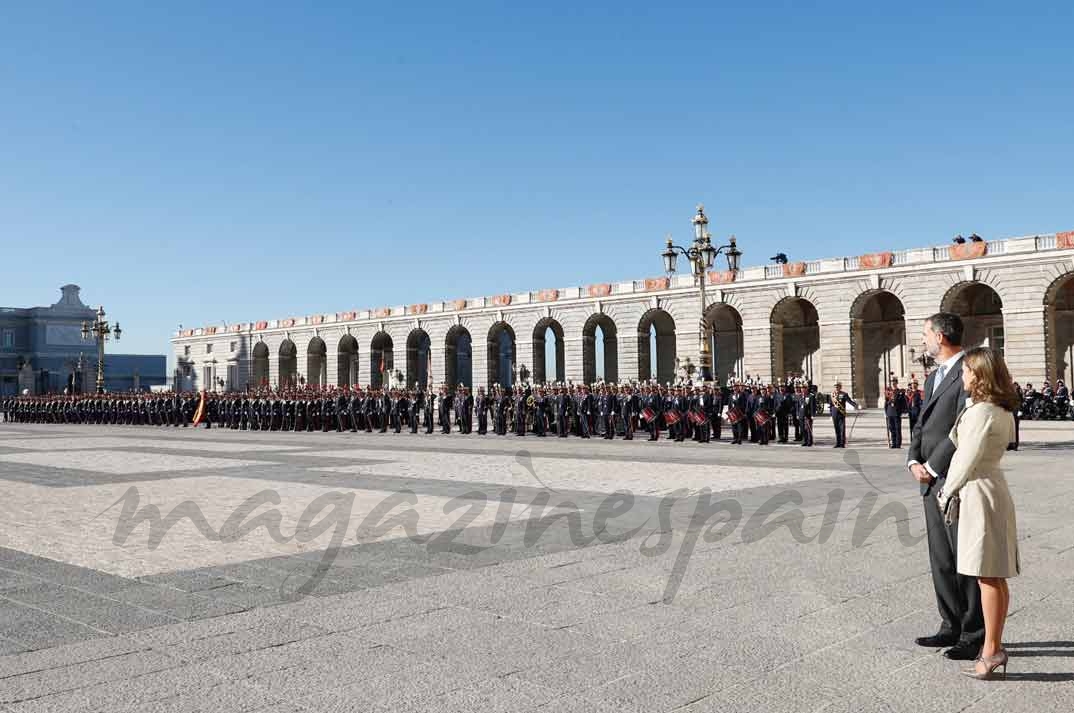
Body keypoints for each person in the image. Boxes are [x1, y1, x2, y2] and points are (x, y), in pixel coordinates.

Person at [936, 347, 1020, 680]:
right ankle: (993, 647)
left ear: (981, 375)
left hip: (978, 493)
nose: (963, 375)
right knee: (992, 575)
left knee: (987, 574)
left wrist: (945, 492)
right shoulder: (997, 409)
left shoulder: (982, 412)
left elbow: (964, 458)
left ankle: (992, 650)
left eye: (968, 370)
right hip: (991, 487)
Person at [907, 312, 984, 661]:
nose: (923, 339)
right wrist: (912, 459)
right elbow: (921, 423)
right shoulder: (932, 378)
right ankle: (949, 623)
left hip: (953, 478)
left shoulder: (968, 370)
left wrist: (933, 465)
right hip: (928, 478)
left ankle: (973, 633)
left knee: (963, 556)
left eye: (925, 333)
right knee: (940, 556)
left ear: (940, 337)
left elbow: (962, 426)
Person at [828, 382, 857, 448]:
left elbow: (849, 401)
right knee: (836, 429)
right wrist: (830, 414)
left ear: (840, 387)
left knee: (842, 429)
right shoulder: (832, 395)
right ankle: (837, 443)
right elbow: (831, 405)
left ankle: (842, 443)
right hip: (834, 414)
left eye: (838, 386)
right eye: (835, 386)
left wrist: (855, 405)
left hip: (841, 413)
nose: (836, 388)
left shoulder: (844, 394)